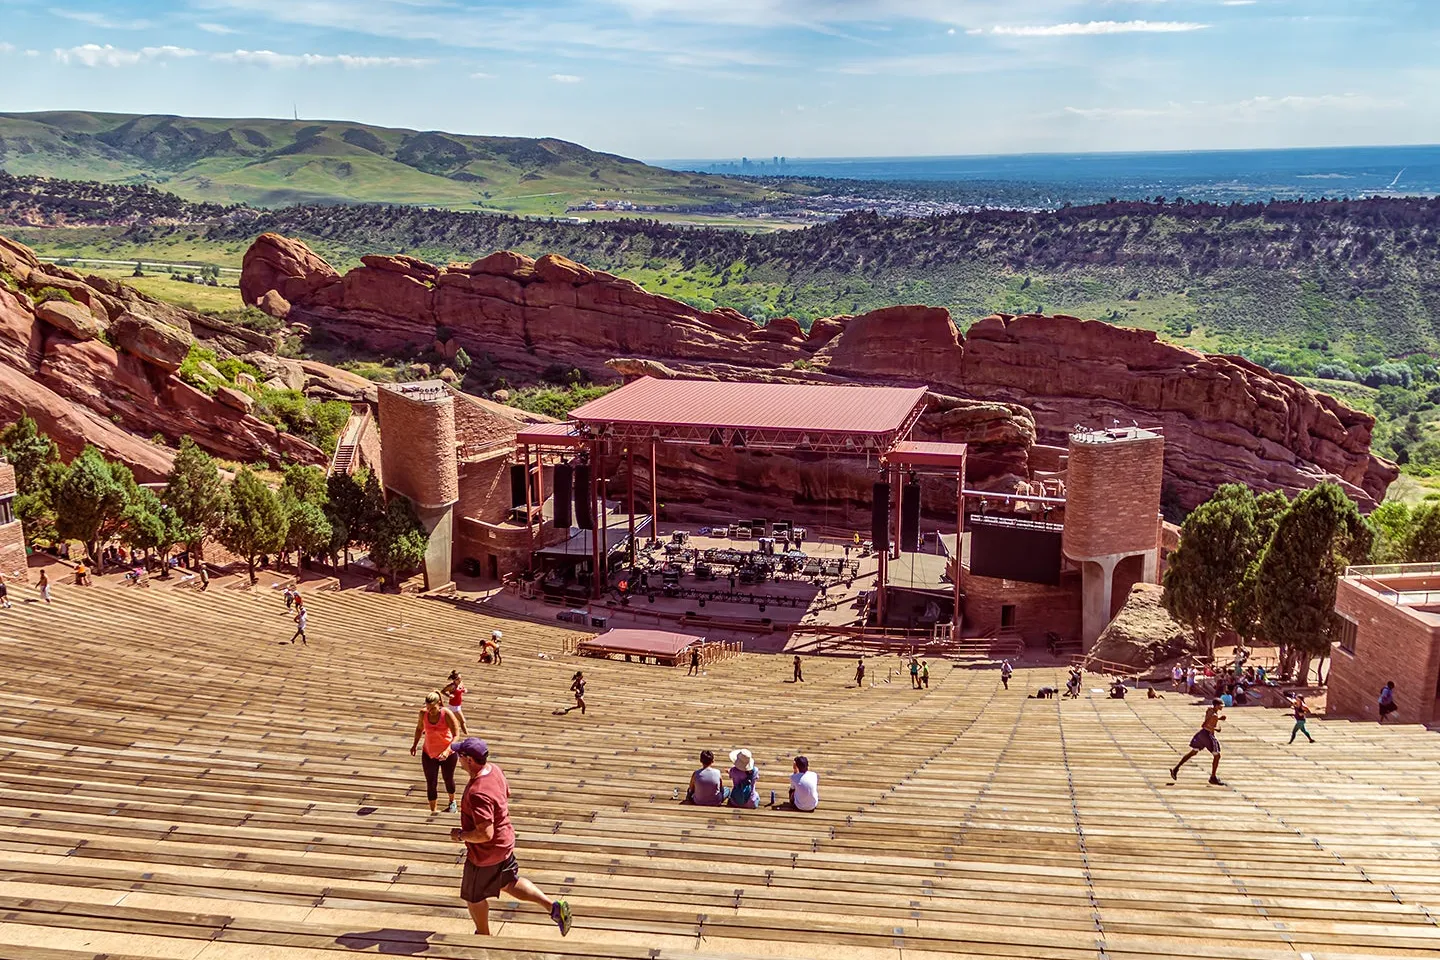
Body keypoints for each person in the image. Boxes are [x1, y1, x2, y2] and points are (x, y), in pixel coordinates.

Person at [447, 738, 572, 937]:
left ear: (469, 760)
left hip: (485, 855)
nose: (457, 759)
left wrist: (460, 835)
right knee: (508, 882)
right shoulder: (494, 770)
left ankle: (483, 937)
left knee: (473, 897)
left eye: (459, 755)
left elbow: (485, 834)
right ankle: (554, 907)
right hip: (505, 842)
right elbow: (507, 792)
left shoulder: (477, 792)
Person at [412, 691, 461, 813]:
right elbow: (419, 729)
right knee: (431, 783)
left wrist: (448, 750)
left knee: (448, 779)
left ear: (439, 703)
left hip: (447, 754)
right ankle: (433, 811)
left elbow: (456, 735)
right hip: (429, 753)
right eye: (428, 708)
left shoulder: (446, 714)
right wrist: (414, 745)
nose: (430, 711)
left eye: (433, 708)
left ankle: (452, 801)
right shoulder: (423, 714)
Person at [1170, 698, 1227, 785]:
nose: (1222, 707)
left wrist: (1219, 719)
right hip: (1208, 736)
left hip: (1201, 735)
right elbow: (1204, 724)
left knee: (1193, 752)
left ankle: (1176, 768)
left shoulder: (1210, 710)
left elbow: (1210, 719)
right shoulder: (1214, 715)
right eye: (1220, 705)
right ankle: (1213, 777)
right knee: (1217, 755)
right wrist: (1216, 728)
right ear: (1216, 705)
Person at [442, 671, 470, 735]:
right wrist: (449, 695)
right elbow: (443, 691)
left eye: (461, 678)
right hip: (453, 706)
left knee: (451, 721)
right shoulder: (452, 686)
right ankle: (467, 735)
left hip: (458, 705)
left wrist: (464, 690)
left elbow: (462, 689)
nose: (460, 680)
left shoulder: (461, 683)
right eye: (459, 679)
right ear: (455, 680)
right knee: (462, 721)